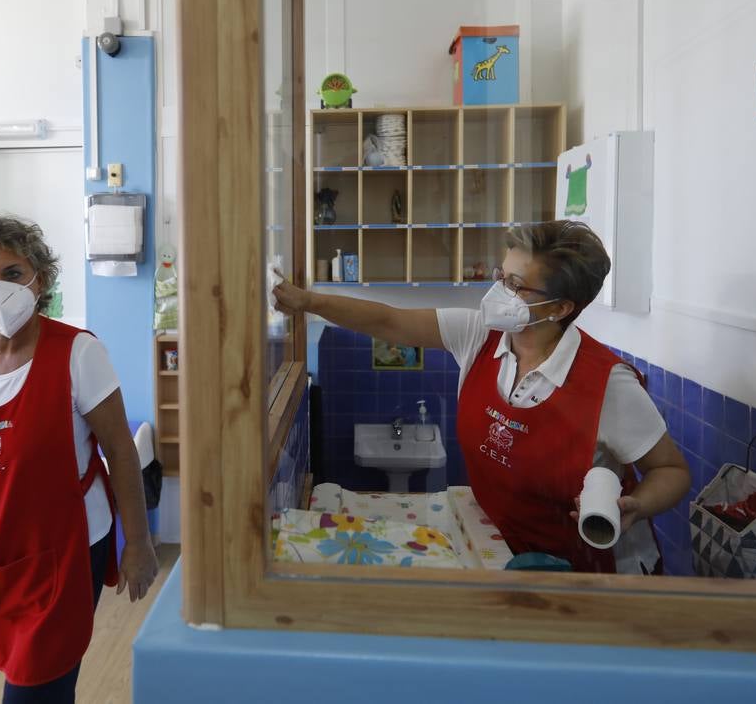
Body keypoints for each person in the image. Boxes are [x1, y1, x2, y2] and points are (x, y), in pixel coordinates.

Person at [274, 220, 690, 574]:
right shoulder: (479, 338)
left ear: (560, 308)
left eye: (514, 284)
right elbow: (390, 321)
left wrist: (636, 504)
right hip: (504, 546)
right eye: (500, 275)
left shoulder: (608, 384)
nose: (498, 291)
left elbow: (671, 470)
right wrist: (307, 301)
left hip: (588, 565)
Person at [0, 215, 159, 702]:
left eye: (12, 272)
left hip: (65, 552)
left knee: (36, 685)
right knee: (21, 669)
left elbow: (120, 453)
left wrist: (138, 543)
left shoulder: (77, 353)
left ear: (39, 279)